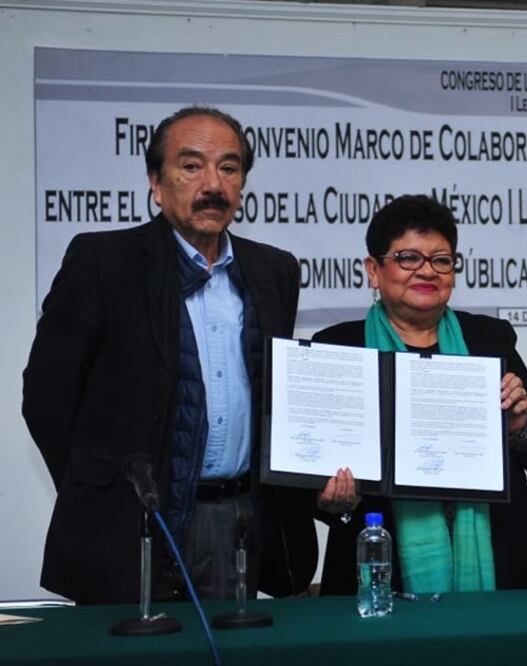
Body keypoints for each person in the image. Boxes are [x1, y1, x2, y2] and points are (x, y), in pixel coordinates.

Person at [23, 106, 317, 604]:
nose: (213, 184)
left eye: (228, 167)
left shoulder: (275, 271)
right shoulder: (103, 262)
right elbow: (47, 398)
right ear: (156, 184)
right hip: (139, 527)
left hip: (239, 519)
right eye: (191, 166)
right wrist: (103, 492)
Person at [313, 194, 527, 595]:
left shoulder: (488, 339)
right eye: (409, 258)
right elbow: (308, 479)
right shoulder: (339, 349)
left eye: (442, 260)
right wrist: (331, 500)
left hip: (500, 562)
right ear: (374, 271)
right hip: (381, 569)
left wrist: (520, 425)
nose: (427, 271)